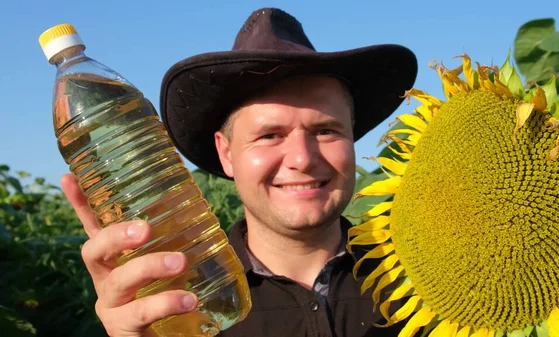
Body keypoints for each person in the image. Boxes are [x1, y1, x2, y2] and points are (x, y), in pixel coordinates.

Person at [62, 7, 418, 337]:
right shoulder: (186, 304)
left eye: (326, 130)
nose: (302, 159)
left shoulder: (420, 277)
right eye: (270, 135)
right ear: (226, 153)